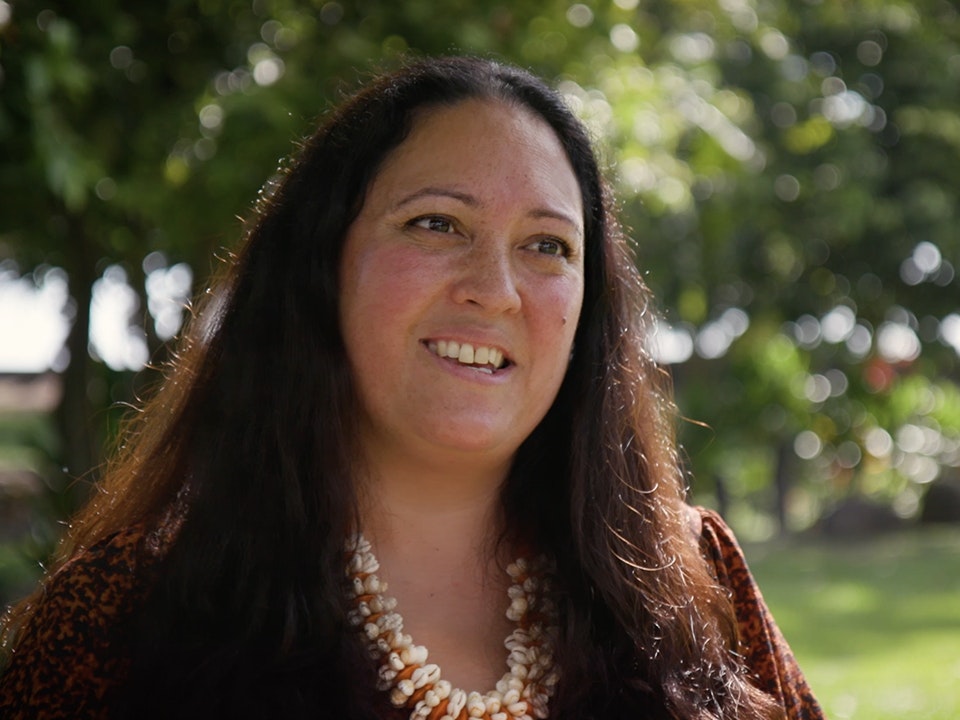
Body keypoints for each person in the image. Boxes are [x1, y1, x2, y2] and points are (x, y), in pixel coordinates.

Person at [0, 56, 824, 720]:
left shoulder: (690, 578)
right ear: (322, 268)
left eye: (547, 246)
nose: (494, 289)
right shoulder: (118, 618)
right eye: (437, 224)